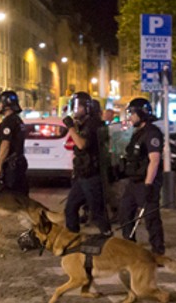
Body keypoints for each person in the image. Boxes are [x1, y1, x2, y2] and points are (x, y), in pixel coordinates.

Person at [118, 97, 165, 256]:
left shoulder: (152, 133)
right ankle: (129, 246)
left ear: (141, 114)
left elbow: (155, 160)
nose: (130, 116)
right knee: (125, 211)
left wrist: (148, 185)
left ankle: (158, 251)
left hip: (146, 180)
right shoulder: (138, 133)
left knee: (151, 216)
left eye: (132, 113)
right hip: (134, 180)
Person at [62, 92, 111, 236]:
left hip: (92, 175)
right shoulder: (83, 124)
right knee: (70, 208)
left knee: (97, 212)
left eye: (79, 107)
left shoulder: (92, 124)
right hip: (82, 174)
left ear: (87, 108)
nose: (75, 110)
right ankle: (72, 237)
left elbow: (82, 144)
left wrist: (71, 127)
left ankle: (107, 236)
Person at [0, 90, 28, 196]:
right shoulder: (18, 120)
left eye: (0, 103)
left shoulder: (8, 122)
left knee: (10, 197)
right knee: (21, 196)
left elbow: (5, 145)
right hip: (19, 163)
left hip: (11, 166)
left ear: (7, 105)